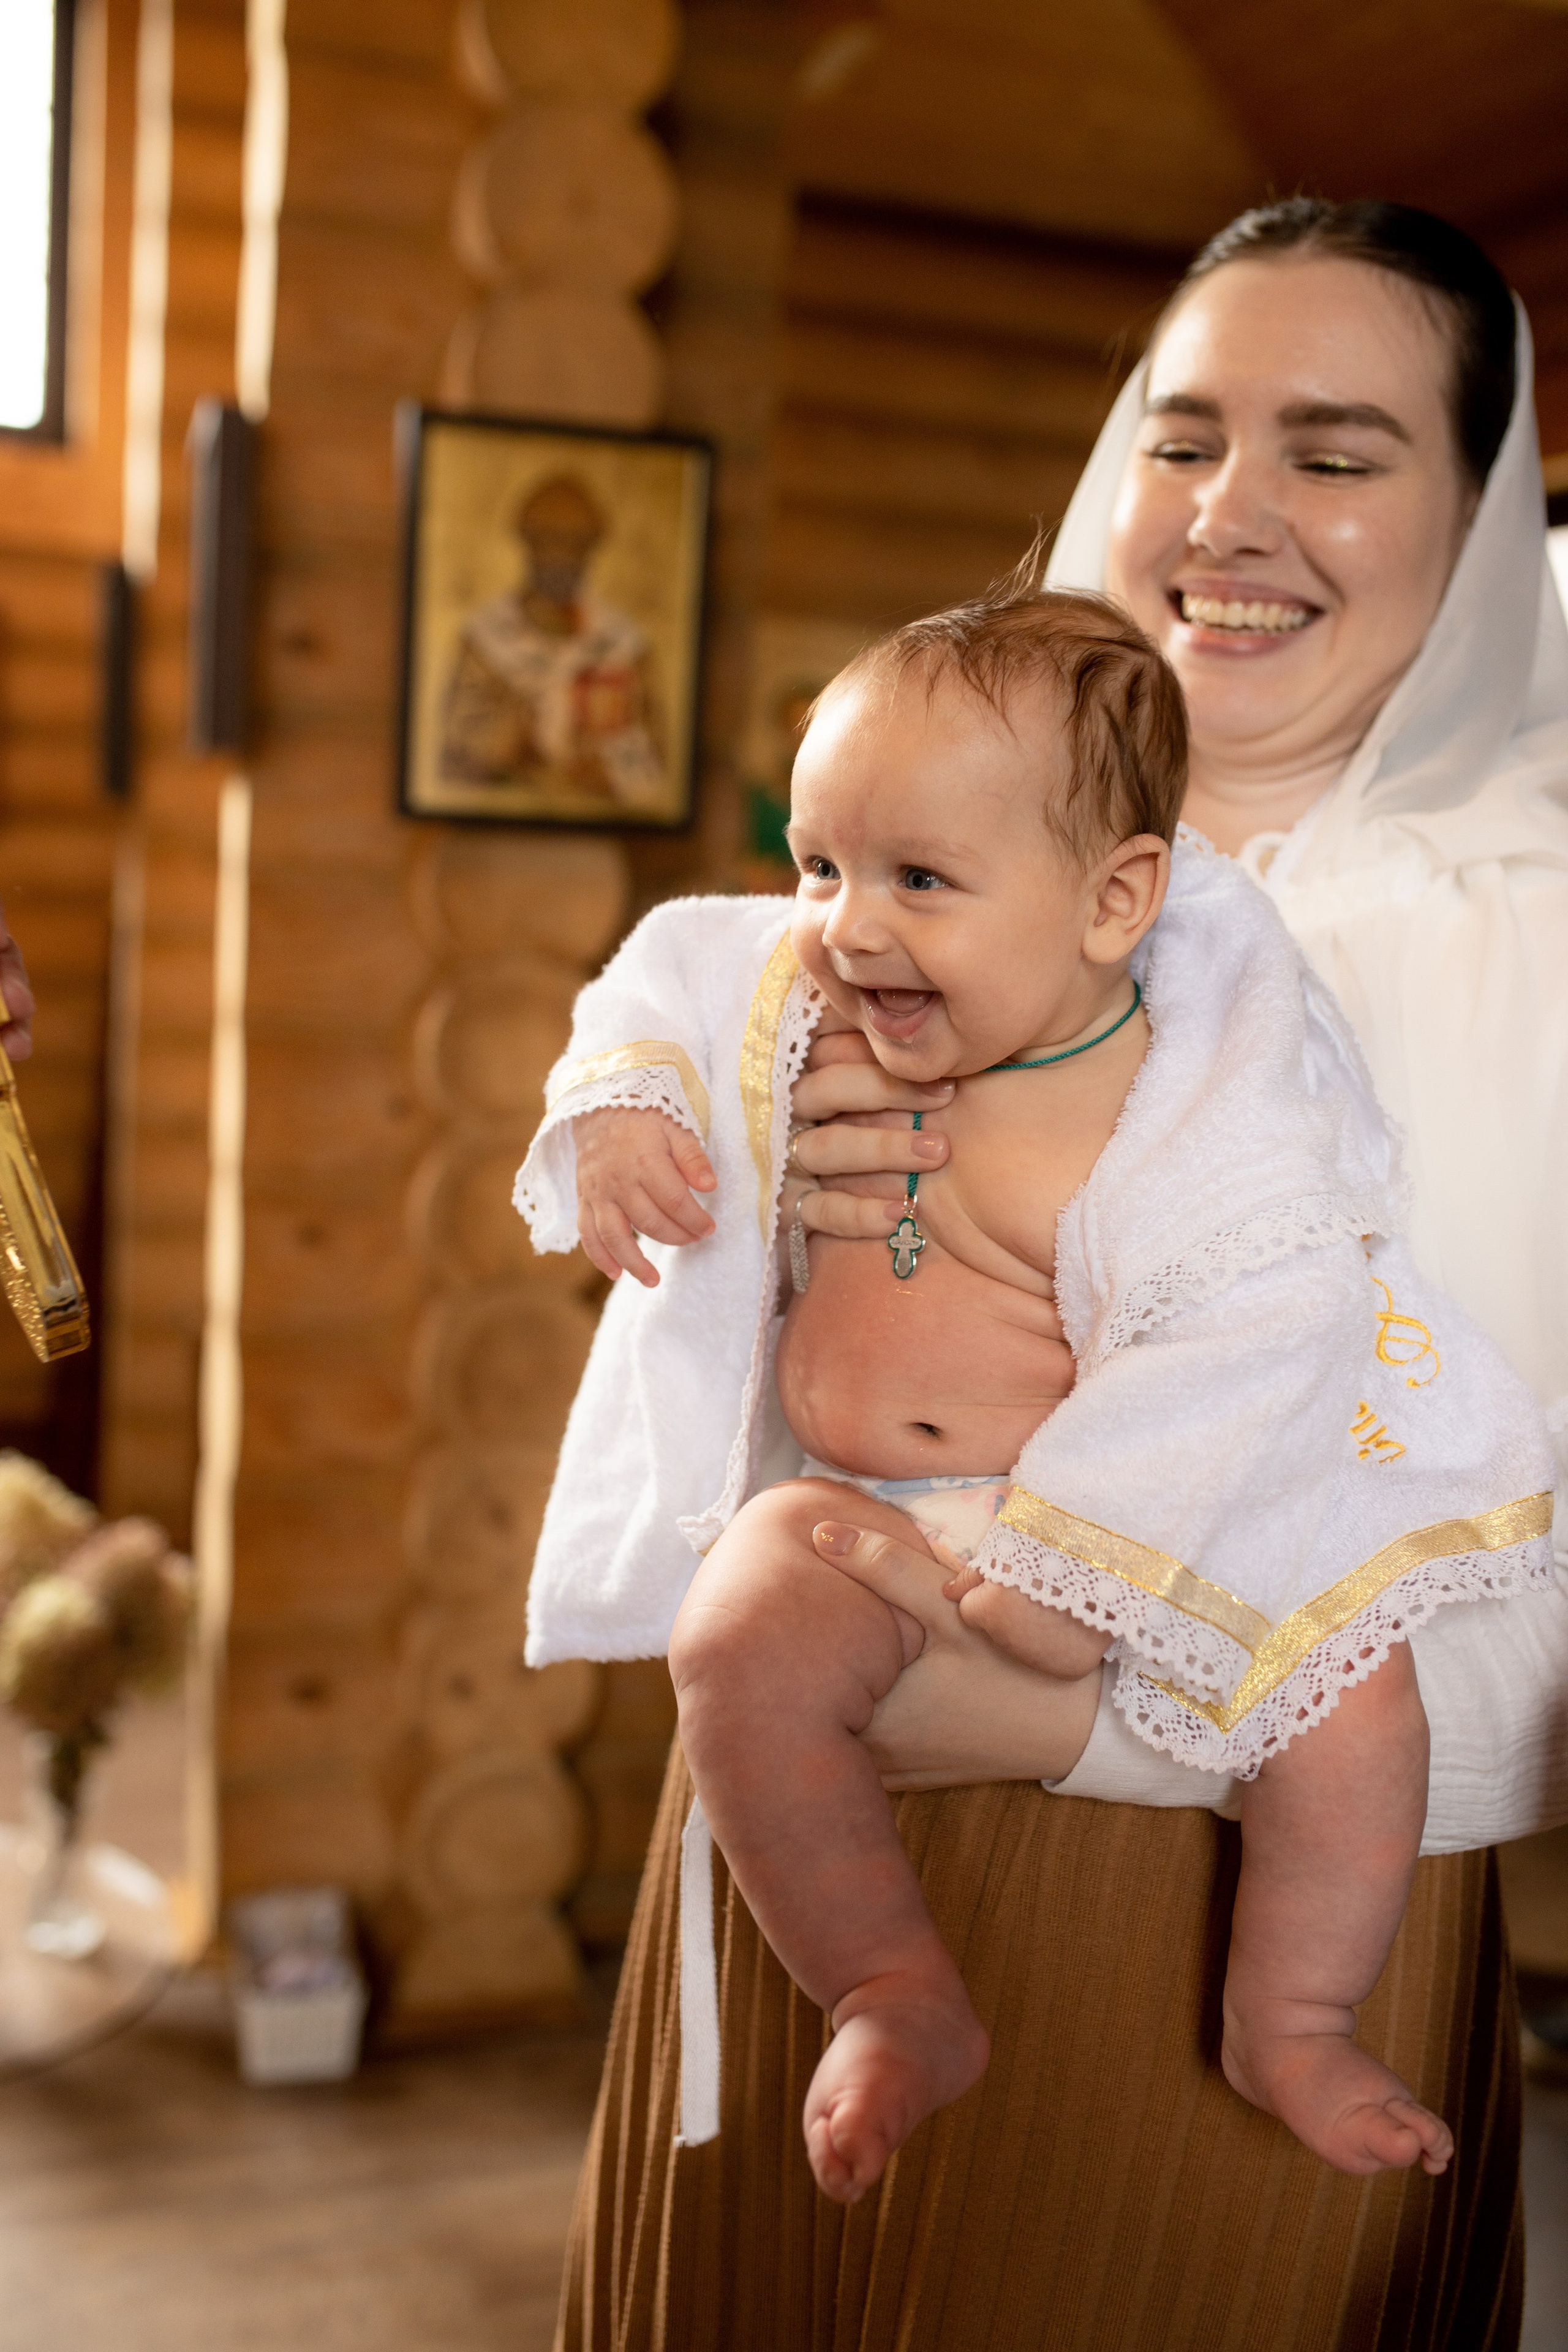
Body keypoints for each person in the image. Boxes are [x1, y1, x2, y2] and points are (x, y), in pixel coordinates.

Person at [531, 202, 1568, 2350]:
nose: (1231, 514)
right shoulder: (923, 853)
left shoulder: (1528, 939)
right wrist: (722, 1180)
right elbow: (733, 1329)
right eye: (1185, 434)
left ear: (1482, 523)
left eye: (1340, 450)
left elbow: (1499, 1540)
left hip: (1230, 1894)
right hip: (803, 1842)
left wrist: (1048, 1714)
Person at [438, 472, 666, 810]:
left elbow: (655, 771)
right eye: (548, 545)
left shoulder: (624, 647)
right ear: (528, 547)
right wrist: (509, 740)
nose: (561, 563)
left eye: (574, 548)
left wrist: (604, 763)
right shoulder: (486, 640)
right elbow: (453, 758)